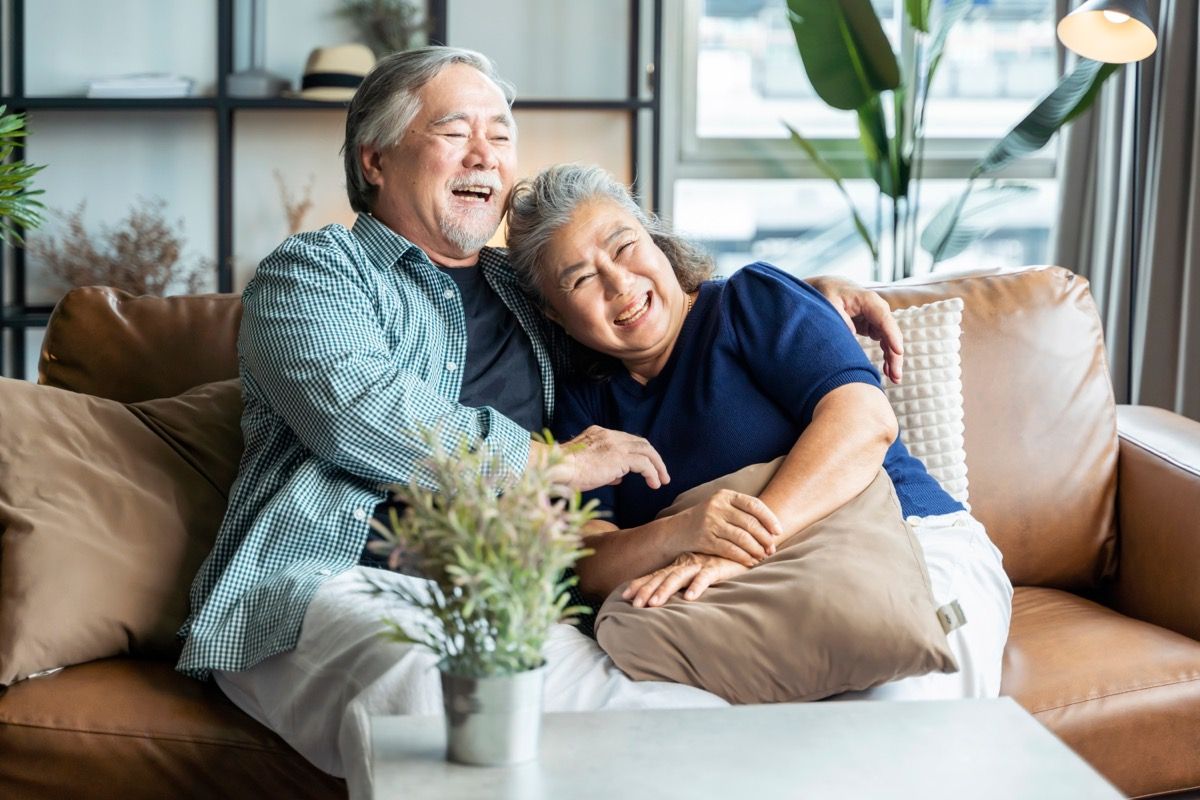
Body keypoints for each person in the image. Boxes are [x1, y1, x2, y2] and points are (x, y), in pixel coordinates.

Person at [176, 47, 905, 796]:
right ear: (375, 160)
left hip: (508, 595)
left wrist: (807, 299)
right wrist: (549, 463)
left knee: (668, 720)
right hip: (332, 583)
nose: (485, 154)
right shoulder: (311, 274)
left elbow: (648, 306)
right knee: (445, 700)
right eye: (455, 131)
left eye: (500, 134)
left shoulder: (529, 292)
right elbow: (358, 412)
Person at [505, 163, 1014, 700]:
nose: (619, 283)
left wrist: (737, 546)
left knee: (889, 708)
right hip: (745, 595)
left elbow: (864, 422)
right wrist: (685, 533)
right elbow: (588, 563)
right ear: (554, 315)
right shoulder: (585, 407)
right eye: (581, 279)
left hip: (907, 542)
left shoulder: (751, 302)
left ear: (655, 241)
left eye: (625, 246)